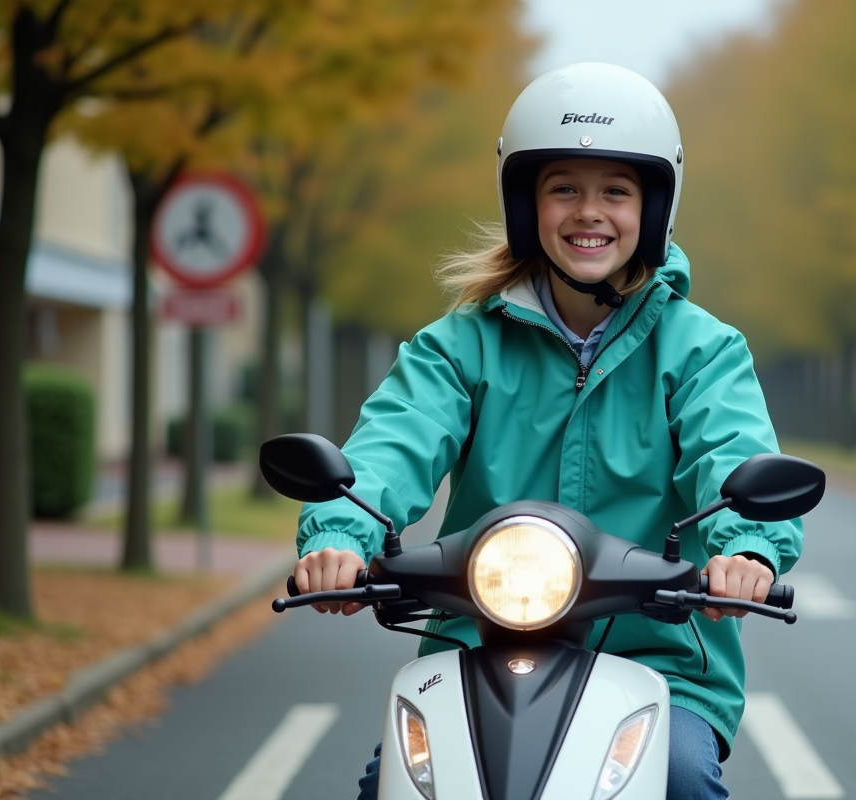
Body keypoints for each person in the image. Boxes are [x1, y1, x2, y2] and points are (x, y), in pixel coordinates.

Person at [293, 62, 804, 800]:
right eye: (564, 187)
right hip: (477, 646)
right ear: (525, 201)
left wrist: (748, 548)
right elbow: (392, 443)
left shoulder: (703, 350)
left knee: (683, 779)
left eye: (616, 191)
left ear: (653, 206)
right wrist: (341, 532)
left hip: (656, 659)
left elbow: (736, 455)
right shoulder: (459, 344)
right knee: (394, 785)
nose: (588, 212)